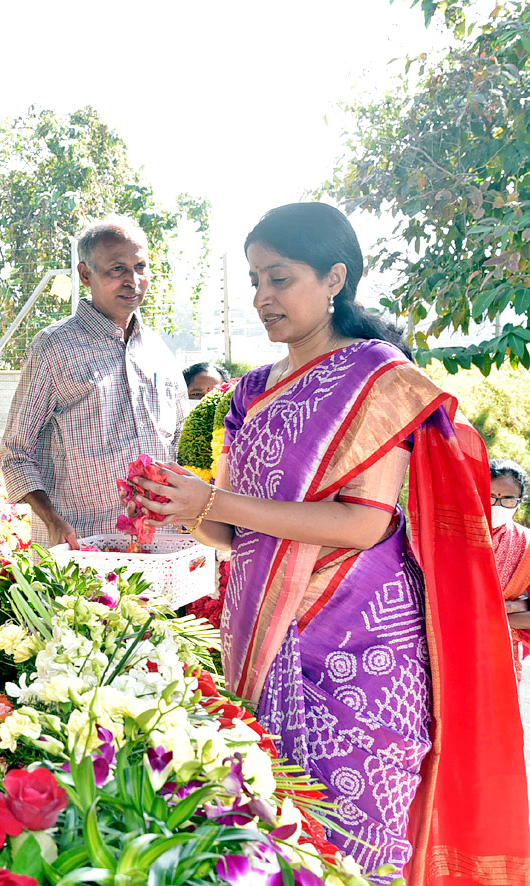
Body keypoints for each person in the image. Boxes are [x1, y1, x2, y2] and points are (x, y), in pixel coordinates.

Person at [126, 203, 529, 883]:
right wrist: (182, 508)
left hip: (360, 648)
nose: (261, 299)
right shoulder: (250, 393)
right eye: (255, 280)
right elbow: (234, 530)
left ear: (335, 277)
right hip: (258, 635)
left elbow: (364, 522)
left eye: (279, 278)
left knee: (357, 852)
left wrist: (213, 501)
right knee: (272, 843)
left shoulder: (377, 379)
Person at [0, 216, 187, 548]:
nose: (133, 280)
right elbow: (16, 453)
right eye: (117, 269)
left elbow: (178, 446)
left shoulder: (159, 351)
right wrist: (54, 523)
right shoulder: (54, 348)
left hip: (158, 547)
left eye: (140, 267)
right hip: (83, 549)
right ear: (85, 274)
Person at [493, 459, 530, 667]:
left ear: (520, 501)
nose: (497, 506)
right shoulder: (454, 536)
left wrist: (511, 607)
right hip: (445, 641)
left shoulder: (527, 544)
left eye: (507, 499)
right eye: (490, 497)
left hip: (500, 651)